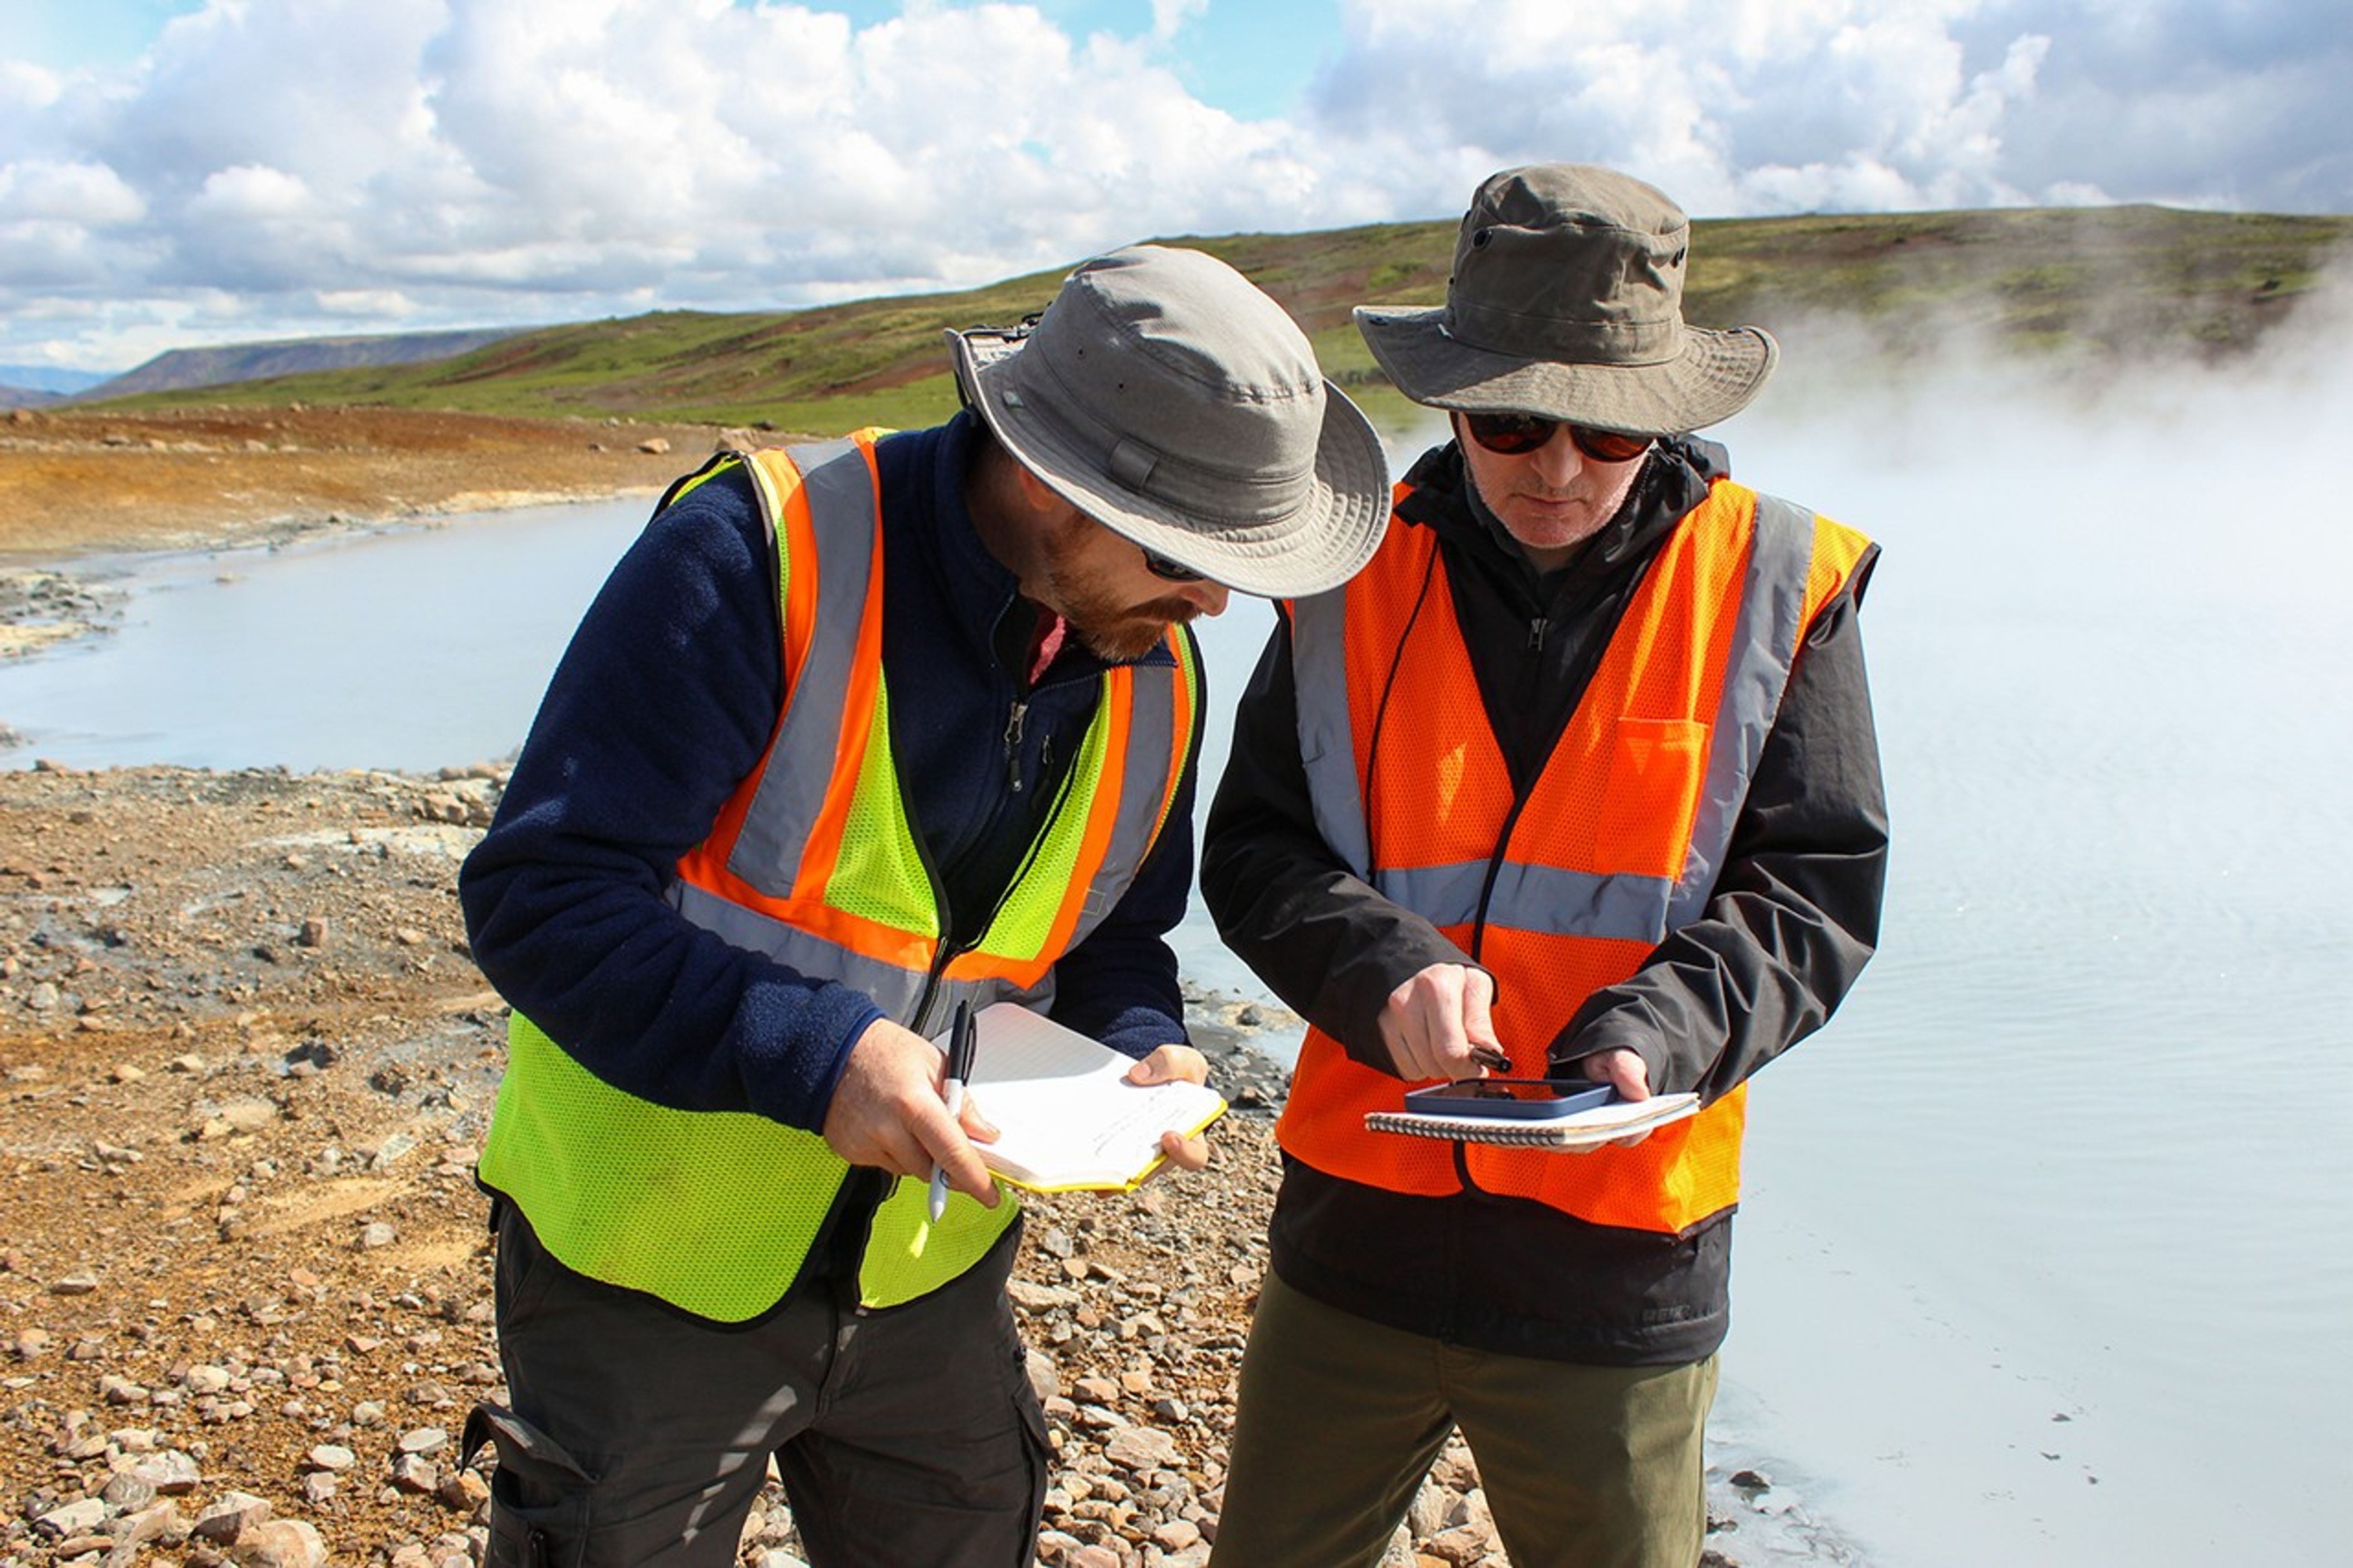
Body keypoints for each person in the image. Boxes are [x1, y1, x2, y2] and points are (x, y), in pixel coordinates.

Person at [455, 243, 1388, 1567]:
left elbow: (1113, 933)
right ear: (1050, 487)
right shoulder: (751, 552)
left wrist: (1133, 1040)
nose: (1213, 598)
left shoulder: (1151, 659)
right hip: (648, 1256)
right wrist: (821, 1054)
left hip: (928, 1272)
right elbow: (540, 897)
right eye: (1183, 551)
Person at [1201, 164, 1887, 1566]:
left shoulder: (1776, 581)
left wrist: (1664, 1027)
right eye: (1511, 420)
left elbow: (1813, 891)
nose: (1556, 467)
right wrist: (1378, 967)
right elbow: (1256, 849)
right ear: (1448, 398)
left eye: (1604, 430)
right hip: (1353, 1235)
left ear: (1664, 414)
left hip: (1619, 1266)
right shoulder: (1344, 567)